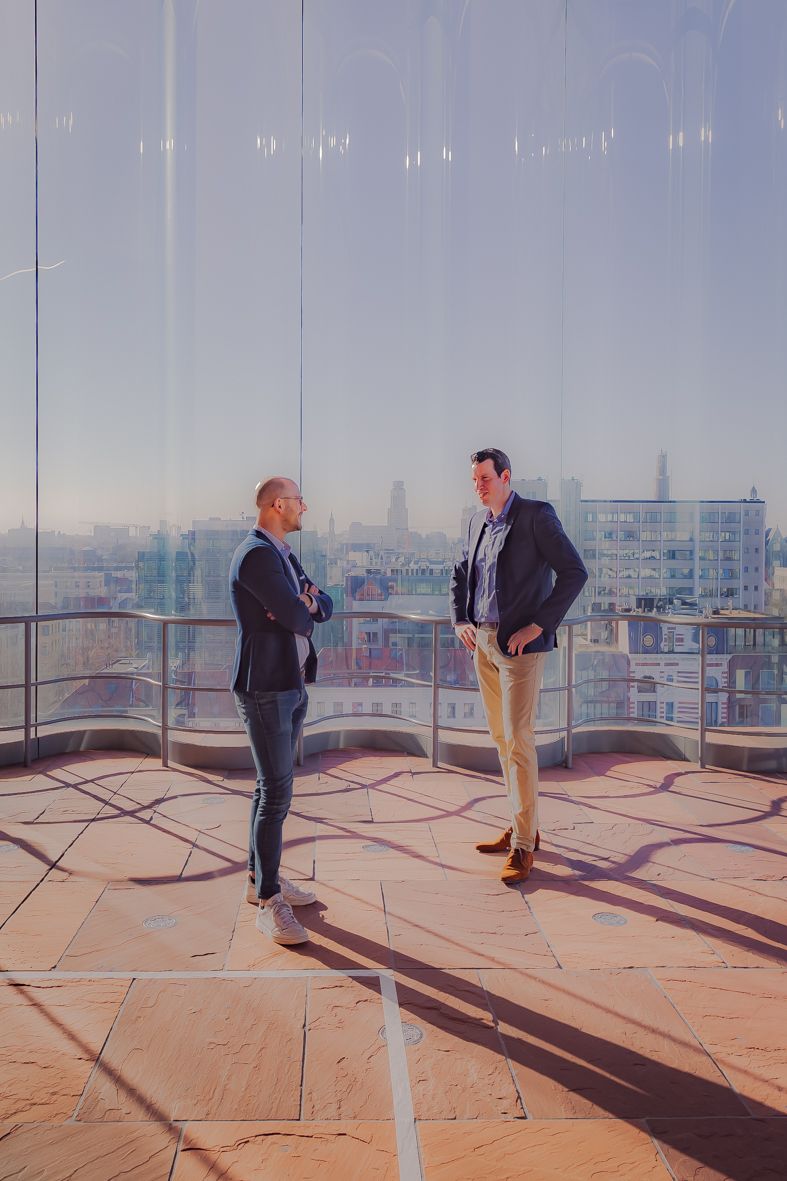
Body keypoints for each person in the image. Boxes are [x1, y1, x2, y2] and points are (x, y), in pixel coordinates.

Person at [450, 448, 587, 884]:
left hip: (520, 648)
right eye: (475, 480)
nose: (478, 486)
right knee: (501, 740)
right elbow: (460, 573)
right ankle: (522, 823)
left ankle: (524, 845)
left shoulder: (535, 516)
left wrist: (538, 625)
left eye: (485, 478)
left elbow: (574, 572)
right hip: (483, 644)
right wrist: (460, 620)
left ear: (506, 477)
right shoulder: (476, 521)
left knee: (519, 741)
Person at [229, 476, 333, 944]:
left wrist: (305, 601)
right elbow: (295, 618)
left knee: (268, 787)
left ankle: (260, 879)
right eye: (298, 500)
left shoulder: (283, 555)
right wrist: (301, 606)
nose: (303, 507)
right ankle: (269, 901)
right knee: (276, 793)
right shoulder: (256, 555)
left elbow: (322, 604)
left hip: (288, 683)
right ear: (277, 504)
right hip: (266, 687)